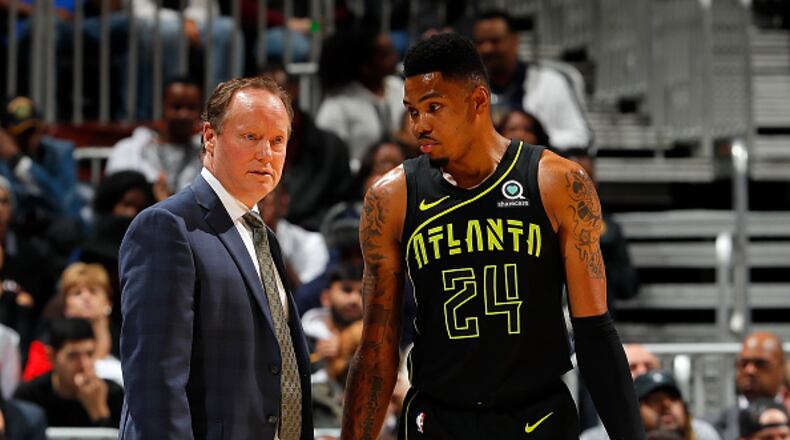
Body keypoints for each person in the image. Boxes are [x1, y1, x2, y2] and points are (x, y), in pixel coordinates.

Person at [340, 33, 643, 440]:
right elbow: (377, 346)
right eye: (412, 111)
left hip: (536, 417)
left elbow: (594, 332)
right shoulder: (391, 197)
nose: (420, 125)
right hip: (439, 419)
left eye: (434, 108)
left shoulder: (557, 182)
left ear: (479, 102)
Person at [119, 75, 313, 439]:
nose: (266, 153)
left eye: (277, 140)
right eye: (250, 137)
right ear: (210, 137)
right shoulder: (167, 226)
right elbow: (154, 381)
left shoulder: (263, 237)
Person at [473, 10, 591, 150]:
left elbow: (580, 136)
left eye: (495, 41)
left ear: (515, 41)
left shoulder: (552, 82)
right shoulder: (468, 89)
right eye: (480, 42)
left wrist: (536, 139)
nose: (486, 49)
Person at [316, 26, 404, 168]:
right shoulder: (338, 104)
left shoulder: (399, 88)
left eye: (393, 51)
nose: (395, 58)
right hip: (355, 184)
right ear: (366, 65)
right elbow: (329, 159)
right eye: (385, 55)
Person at [106, 78, 204, 202]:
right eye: (176, 107)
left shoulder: (208, 156)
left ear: (201, 111)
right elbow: (114, 204)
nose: (183, 114)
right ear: (163, 106)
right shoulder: (130, 150)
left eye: (191, 108)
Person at [23, 263, 121, 386]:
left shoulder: (128, 346)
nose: (86, 297)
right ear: (65, 307)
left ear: (108, 302)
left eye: (93, 291)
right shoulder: (47, 346)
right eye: (77, 293)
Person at [14, 317, 123, 428]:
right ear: (51, 356)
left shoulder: (113, 394)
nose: (84, 365)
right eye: (73, 356)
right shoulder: (29, 396)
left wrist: (100, 413)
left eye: (90, 354)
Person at [581, 370, 721, 440]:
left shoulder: (703, 434)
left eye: (672, 399)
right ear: (632, 412)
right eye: (654, 400)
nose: (666, 405)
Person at [706, 332, 788, 440]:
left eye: (761, 363)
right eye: (743, 363)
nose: (749, 370)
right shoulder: (710, 428)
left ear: (782, 368)